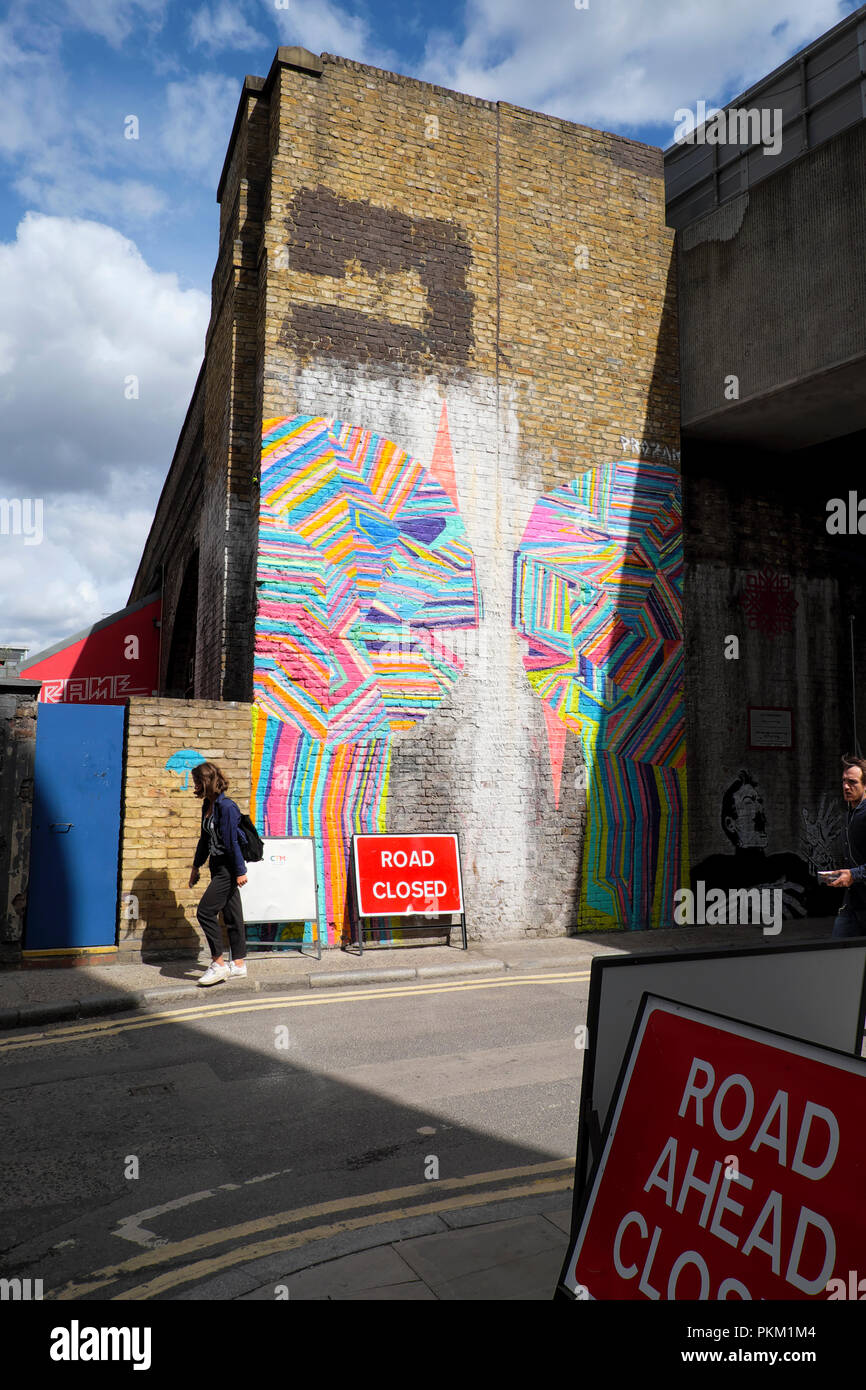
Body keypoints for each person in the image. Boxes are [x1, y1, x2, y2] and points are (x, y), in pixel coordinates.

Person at [188, 762, 249, 985]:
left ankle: (218, 964)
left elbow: (232, 842)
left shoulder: (227, 807)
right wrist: (196, 866)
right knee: (232, 915)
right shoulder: (208, 805)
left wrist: (240, 871)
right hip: (216, 865)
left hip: (228, 867)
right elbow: (204, 840)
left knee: (205, 911)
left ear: (206, 782)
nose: (194, 786)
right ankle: (239, 965)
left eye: (196, 782)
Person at [824, 755, 866, 939]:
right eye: (843, 781)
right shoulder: (849, 814)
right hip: (853, 902)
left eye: (852, 782)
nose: (846, 786)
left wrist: (853, 874)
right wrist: (842, 874)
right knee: (836, 953)